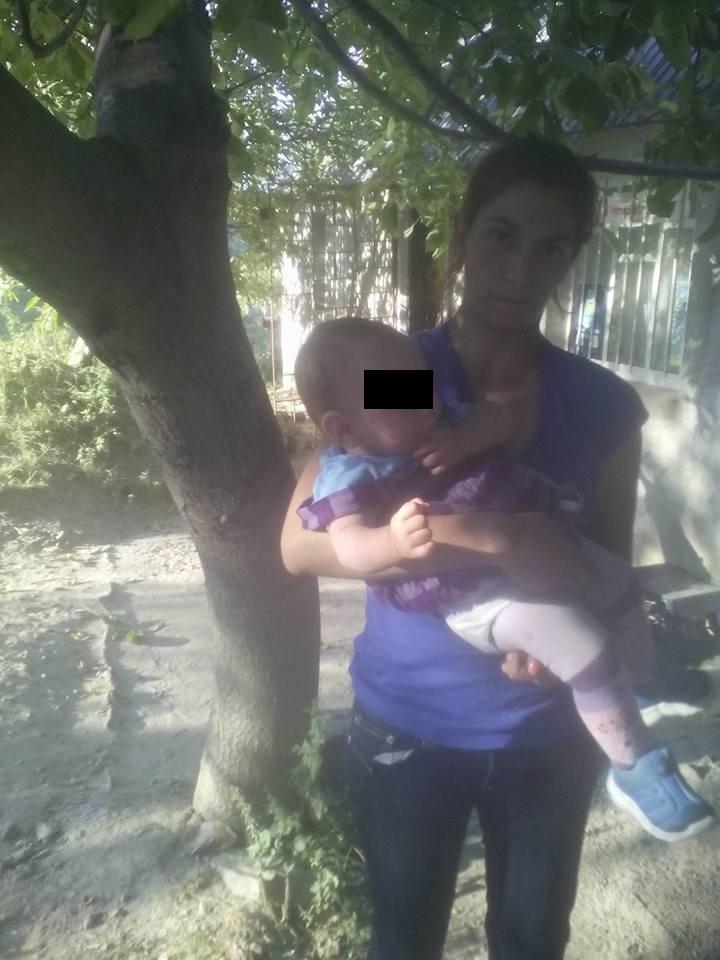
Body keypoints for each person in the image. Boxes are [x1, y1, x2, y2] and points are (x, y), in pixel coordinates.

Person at [280, 136, 708, 960]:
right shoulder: (403, 370)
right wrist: (497, 540)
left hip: (549, 732)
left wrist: (558, 606)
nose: (520, 270)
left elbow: (602, 555)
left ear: (573, 258)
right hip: (411, 726)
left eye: (551, 247)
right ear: (463, 235)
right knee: (403, 941)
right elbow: (302, 544)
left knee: (532, 941)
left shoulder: (599, 401)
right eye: (502, 236)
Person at [292, 316, 715, 843]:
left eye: (424, 387)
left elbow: (497, 417)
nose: (426, 405)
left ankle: (640, 680)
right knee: (585, 649)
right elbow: (348, 547)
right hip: (479, 595)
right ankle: (635, 765)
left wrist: (465, 437)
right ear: (343, 430)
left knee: (620, 585)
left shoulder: (439, 424)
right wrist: (394, 542)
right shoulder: (347, 476)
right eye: (400, 398)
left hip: (546, 535)